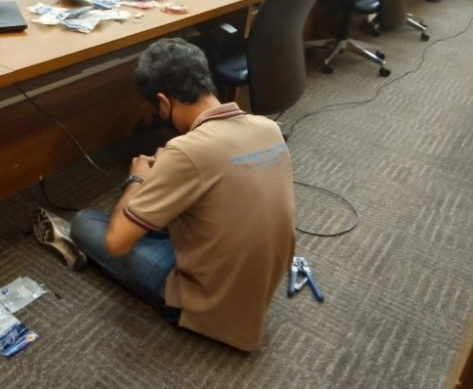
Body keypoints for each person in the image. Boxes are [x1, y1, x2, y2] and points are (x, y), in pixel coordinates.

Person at [33, 37, 295, 351]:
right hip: (256, 289)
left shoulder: (186, 151)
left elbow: (117, 244)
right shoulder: (267, 127)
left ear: (164, 102)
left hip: (208, 305)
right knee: (174, 213)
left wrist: (137, 179)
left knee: (87, 222)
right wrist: (170, 172)